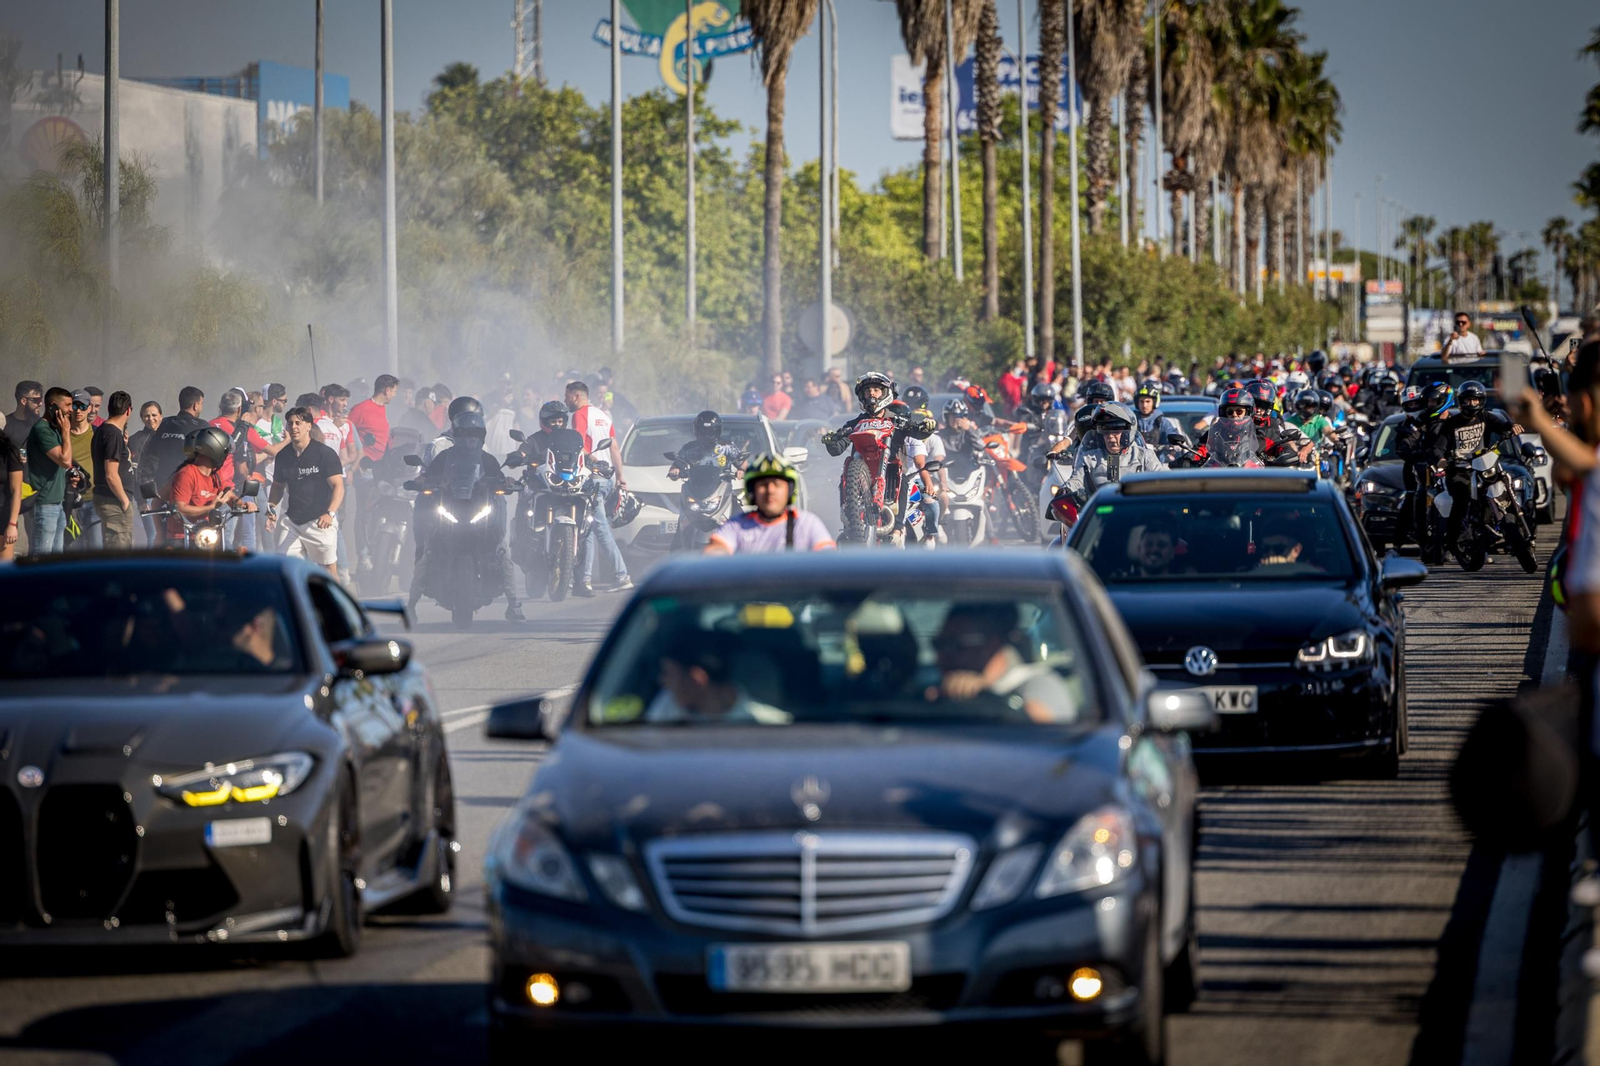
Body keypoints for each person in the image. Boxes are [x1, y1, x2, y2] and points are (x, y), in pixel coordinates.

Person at [409, 410, 523, 619]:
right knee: (427, 553)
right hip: (450, 509)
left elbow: (499, 477)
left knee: (502, 553)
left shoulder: (487, 460)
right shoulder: (444, 456)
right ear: (457, 436)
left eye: (474, 435)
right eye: (464, 434)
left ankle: (514, 605)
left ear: (480, 437)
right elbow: (428, 475)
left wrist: (506, 482)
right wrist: (422, 481)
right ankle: (410, 606)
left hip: (480, 513)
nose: (469, 439)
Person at [929, 602, 1077, 723]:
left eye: (956, 645)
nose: (941, 655)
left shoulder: (1040, 682)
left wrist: (982, 694)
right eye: (938, 644)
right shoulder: (932, 690)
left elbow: (1045, 729)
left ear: (992, 644)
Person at [1425, 379, 1521, 561]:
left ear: (1482, 400)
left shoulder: (1485, 417)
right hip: (1459, 470)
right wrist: (1442, 460)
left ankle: (1518, 521)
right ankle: (1453, 540)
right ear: (1461, 401)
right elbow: (1438, 447)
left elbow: (1502, 426)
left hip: (1483, 465)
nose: (1472, 404)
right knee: (1461, 499)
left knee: (1506, 480)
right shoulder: (1451, 424)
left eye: (1475, 400)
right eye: (1467, 400)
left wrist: (1512, 427)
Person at [567, 380, 631, 596]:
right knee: (589, 527)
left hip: (591, 477)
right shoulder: (604, 416)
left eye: (567, 396)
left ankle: (621, 575)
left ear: (576, 396)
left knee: (600, 527)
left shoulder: (580, 414)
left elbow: (578, 443)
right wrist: (620, 476)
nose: (566, 401)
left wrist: (592, 459)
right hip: (608, 478)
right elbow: (614, 447)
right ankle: (584, 579)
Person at [266, 406, 345, 579]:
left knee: (328, 571)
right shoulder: (283, 456)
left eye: (298, 423)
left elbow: (338, 486)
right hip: (292, 520)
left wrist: (330, 513)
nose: (293, 427)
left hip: (320, 520)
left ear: (309, 426)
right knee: (284, 568)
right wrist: (271, 508)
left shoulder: (324, 453)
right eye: (290, 423)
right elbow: (278, 486)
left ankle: (336, 604)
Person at [643, 632, 791, 724]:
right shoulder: (667, 707)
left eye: (668, 673)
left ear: (697, 678)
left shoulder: (768, 724)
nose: (661, 681)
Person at [705, 453, 836, 554]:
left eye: (777, 484)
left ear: (789, 491)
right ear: (752, 491)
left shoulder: (807, 524)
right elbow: (715, 553)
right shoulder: (736, 526)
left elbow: (829, 561)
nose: (770, 491)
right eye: (763, 485)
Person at [210, 388, 282, 551]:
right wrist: (288, 441)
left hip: (211, 485)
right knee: (244, 532)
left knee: (221, 533)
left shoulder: (209, 424)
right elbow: (272, 451)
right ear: (239, 409)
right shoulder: (243, 428)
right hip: (235, 485)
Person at [1059, 402, 1167, 504]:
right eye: (1105, 431)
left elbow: (1163, 481)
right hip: (1100, 515)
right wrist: (1066, 489)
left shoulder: (1145, 456)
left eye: (1116, 430)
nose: (1110, 436)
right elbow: (1077, 480)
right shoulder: (1089, 458)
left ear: (1128, 432)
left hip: (1139, 513)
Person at [163, 425, 251, 543]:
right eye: (225, 453)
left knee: (232, 555)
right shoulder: (186, 474)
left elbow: (227, 494)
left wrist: (243, 505)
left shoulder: (215, 474)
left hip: (206, 535)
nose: (226, 457)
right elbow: (181, 508)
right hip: (182, 536)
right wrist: (211, 507)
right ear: (216, 451)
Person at [142, 386, 209, 500]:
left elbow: (151, 453)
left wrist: (146, 481)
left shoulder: (165, 423)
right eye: (201, 403)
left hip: (161, 486)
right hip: (187, 487)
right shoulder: (202, 426)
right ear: (195, 405)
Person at [91, 391, 135, 549]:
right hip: (114, 501)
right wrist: (124, 501)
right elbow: (111, 474)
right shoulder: (112, 434)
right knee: (119, 552)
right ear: (128, 410)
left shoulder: (103, 431)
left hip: (109, 499)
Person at [4, 380, 41, 456]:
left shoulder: (42, 424)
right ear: (23, 401)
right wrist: (16, 458)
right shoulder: (5, 424)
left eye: (41, 399)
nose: (40, 404)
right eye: (36, 400)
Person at [0, 426, 21, 561]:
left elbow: (16, 490)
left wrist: (12, 524)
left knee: (4, 568)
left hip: (3, 515)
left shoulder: (9, 451)